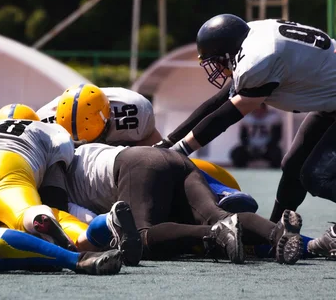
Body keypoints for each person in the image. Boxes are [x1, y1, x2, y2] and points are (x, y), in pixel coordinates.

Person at [150, 14, 336, 252]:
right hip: (330, 103)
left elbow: (226, 116)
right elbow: (216, 102)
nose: (216, 68)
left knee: (316, 176)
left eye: (216, 61)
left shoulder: (258, 59)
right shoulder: (252, 37)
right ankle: (274, 233)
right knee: (293, 165)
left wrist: (181, 150)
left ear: (228, 53)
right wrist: (168, 142)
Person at [0, 102, 143, 263]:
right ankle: (100, 225)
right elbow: (54, 194)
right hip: (8, 166)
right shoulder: (48, 131)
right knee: (35, 214)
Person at [61, 144, 305, 265]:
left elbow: (88, 224)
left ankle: (214, 234)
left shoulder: (52, 181)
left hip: (136, 166)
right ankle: (276, 232)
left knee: (140, 239)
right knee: (217, 214)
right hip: (172, 158)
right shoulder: (79, 151)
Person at [38, 84, 259, 214]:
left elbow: (163, 156)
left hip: (127, 155)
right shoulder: (43, 123)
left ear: (109, 119)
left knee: (167, 164)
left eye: (94, 138)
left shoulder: (133, 110)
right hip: (77, 168)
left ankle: (221, 193)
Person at [230, 103, 283, 168]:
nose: (259, 112)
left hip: (267, 148)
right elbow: (243, 136)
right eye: (256, 110)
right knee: (237, 152)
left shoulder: (273, 118)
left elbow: (277, 136)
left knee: (277, 153)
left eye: (261, 110)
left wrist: (267, 146)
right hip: (250, 148)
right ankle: (241, 170)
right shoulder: (247, 118)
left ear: (265, 110)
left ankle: (274, 172)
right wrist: (248, 146)